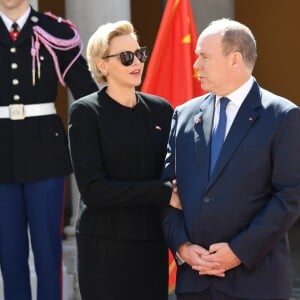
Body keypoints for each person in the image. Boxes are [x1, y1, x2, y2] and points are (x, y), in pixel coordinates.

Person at [162, 18, 300, 300]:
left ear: (235, 60)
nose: (195, 65)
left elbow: (289, 197)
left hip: (256, 282)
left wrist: (238, 251)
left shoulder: (283, 116)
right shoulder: (184, 115)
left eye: (204, 57)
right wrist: (182, 246)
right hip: (195, 282)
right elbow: (166, 191)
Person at [68, 20, 180, 300]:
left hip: (151, 242)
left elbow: (172, 171)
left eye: (140, 54)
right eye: (126, 57)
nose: (137, 63)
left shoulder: (160, 110)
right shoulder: (86, 112)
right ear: (102, 65)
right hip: (104, 244)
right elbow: (94, 190)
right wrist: (161, 193)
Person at [0, 1, 98, 299]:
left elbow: (85, 90)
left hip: (45, 154)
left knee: (47, 251)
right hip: (1, 153)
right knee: (9, 253)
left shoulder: (53, 31)